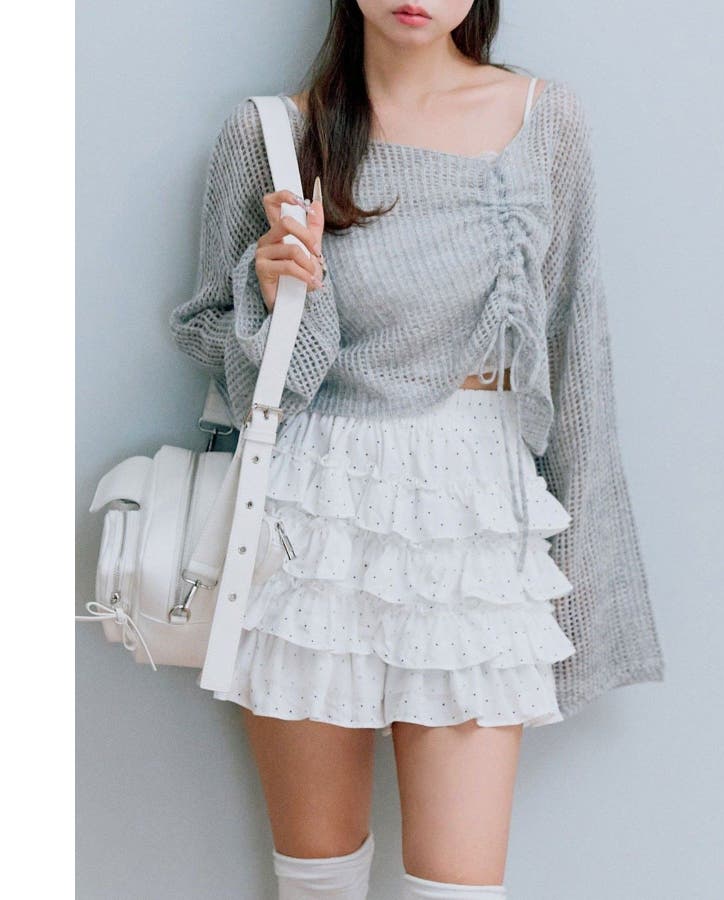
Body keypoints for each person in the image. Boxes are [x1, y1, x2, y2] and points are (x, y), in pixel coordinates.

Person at [168, 2, 665, 897]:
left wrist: (588, 568)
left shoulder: (544, 119)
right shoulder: (272, 134)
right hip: (311, 514)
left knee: (459, 887)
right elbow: (217, 343)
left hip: (476, 512)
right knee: (317, 882)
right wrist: (270, 291)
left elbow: (574, 344)